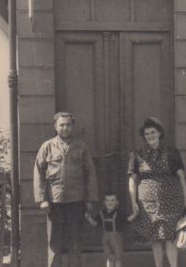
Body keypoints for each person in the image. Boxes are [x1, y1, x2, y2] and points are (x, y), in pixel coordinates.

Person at [33, 112, 98, 267]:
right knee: (54, 242)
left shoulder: (81, 147)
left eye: (68, 125)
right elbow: (38, 173)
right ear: (55, 127)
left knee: (75, 242)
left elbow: (90, 174)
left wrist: (90, 199)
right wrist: (42, 200)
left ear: (72, 126)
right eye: (61, 125)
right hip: (55, 202)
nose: (65, 128)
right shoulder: (47, 147)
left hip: (76, 201)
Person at [128, 117, 186, 267]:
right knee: (155, 238)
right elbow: (132, 180)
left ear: (159, 133)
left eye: (153, 132)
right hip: (147, 203)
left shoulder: (171, 152)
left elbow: (181, 177)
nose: (150, 136)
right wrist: (133, 203)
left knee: (169, 237)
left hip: (171, 200)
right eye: (147, 134)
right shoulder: (137, 154)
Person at [85, 192, 135, 267]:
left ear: (117, 202)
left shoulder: (120, 213)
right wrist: (89, 218)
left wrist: (135, 214)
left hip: (117, 238)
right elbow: (95, 223)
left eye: (112, 200)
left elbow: (128, 219)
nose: (110, 202)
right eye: (107, 200)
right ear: (104, 202)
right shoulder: (101, 213)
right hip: (105, 238)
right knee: (109, 257)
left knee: (118, 258)